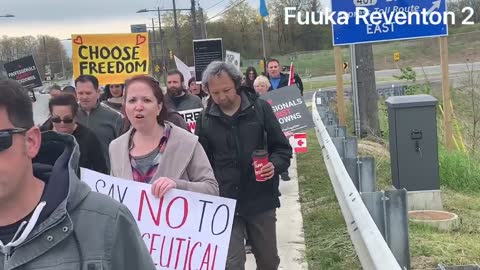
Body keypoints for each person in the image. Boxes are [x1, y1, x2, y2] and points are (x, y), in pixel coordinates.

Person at [0, 79, 156, 269]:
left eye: (1, 140)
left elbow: (102, 167)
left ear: (31, 142)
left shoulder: (108, 223)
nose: (61, 123)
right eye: (56, 119)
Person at [195, 61, 292, 270]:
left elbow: (283, 150)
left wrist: (273, 166)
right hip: (224, 202)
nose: (221, 97)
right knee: (232, 263)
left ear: (237, 84)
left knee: (268, 261)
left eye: (226, 90)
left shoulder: (261, 109)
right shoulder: (205, 119)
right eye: (215, 92)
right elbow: (200, 163)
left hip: (261, 199)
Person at [109, 75, 218, 198]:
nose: (138, 107)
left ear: (159, 107)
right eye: (132, 100)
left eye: (146, 100)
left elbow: (211, 189)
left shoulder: (186, 142)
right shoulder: (115, 148)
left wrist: (178, 186)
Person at [41, 94, 108, 174]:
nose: (62, 124)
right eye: (56, 119)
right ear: (51, 116)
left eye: (67, 119)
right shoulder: (42, 136)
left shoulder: (88, 138)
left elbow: (101, 169)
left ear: (75, 117)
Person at [75, 75, 123, 170]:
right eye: (80, 93)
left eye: (88, 93)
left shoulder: (114, 117)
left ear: (98, 92)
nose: (84, 97)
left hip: (105, 176)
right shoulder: (69, 116)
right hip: (76, 175)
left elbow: (122, 150)